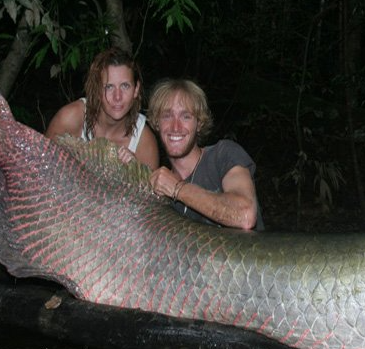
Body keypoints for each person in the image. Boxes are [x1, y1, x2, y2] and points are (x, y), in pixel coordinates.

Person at [147, 78, 263, 231]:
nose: (175, 127)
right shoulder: (159, 190)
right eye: (167, 116)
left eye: (186, 116)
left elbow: (245, 216)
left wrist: (178, 189)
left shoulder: (223, 155)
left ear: (199, 124)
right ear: (156, 123)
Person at [45, 48, 160, 169]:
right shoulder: (70, 118)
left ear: (136, 90)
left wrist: (136, 172)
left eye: (125, 86)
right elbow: (39, 168)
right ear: (98, 90)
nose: (117, 97)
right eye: (109, 87)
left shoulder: (144, 141)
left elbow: (148, 187)